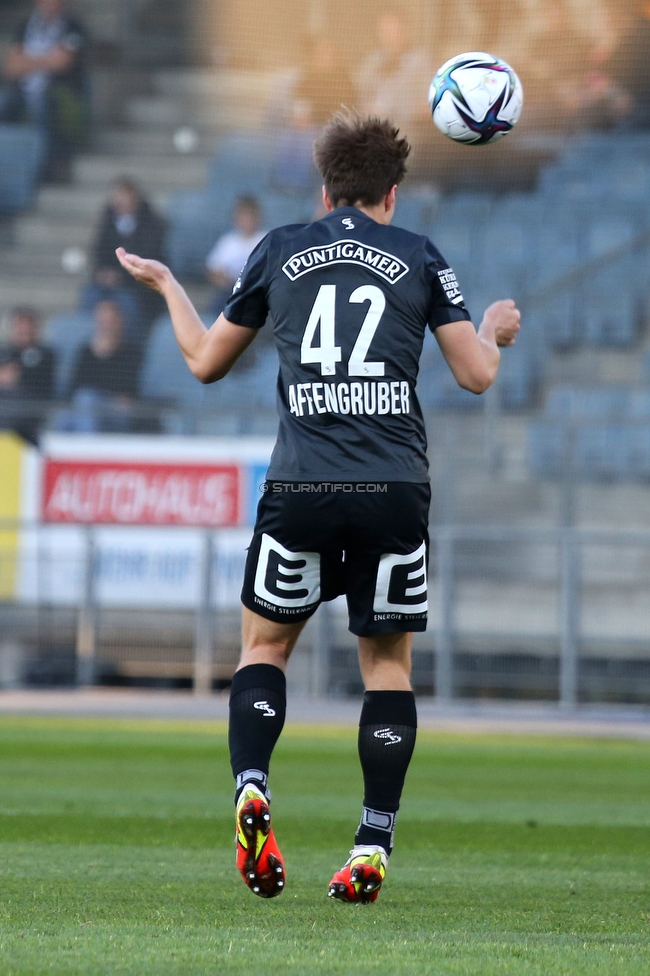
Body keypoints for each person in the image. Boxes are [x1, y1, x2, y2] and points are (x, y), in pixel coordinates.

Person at [116, 112, 521, 904]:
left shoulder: (280, 249)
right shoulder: (418, 254)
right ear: (392, 195)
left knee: (264, 651)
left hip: (300, 483)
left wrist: (168, 285)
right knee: (388, 667)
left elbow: (204, 364)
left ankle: (253, 788)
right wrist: (497, 330)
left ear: (323, 187)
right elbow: (476, 375)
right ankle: (372, 840)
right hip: (394, 487)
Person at [0, 0, 88, 183]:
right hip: (22, 92)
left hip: (56, 93)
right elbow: (11, 67)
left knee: (44, 110)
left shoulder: (73, 26)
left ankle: (44, 171)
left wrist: (26, 61)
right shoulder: (25, 25)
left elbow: (62, 63)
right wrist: (47, 59)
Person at [82, 178, 167, 337]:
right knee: (89, 296)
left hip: (137, 286)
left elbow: (149, 257)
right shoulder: (108, 222)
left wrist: (122, 275)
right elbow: (99, 253)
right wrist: (103, 274)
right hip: (108, 284)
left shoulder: (151, 224)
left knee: (127, 302)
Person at [59, 300, 141, 433]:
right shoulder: (85, 350)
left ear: (120, 322)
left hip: (115, 411)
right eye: (103, 321)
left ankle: (87, 450)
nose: (106, 326)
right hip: (85, 406)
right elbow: (74, 385)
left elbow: (127, 388)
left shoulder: (131, 352)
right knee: (62, 419)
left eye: (110, 321)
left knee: (87, 400)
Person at [0, 307, 55, 444]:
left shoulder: (46, 355)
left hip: (30, 410)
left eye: (28, 327)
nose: (24, 331)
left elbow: (41, 383)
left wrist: (18, 377)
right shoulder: (4, 352)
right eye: (20, 326)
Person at [205, 196, 266, 318]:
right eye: (243, 215)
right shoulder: (227, 241)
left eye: (250, 215)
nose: (247, 220)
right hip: (229, 292)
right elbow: (212, 270)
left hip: (257, 293)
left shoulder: (266, 239)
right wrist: (224, 279)